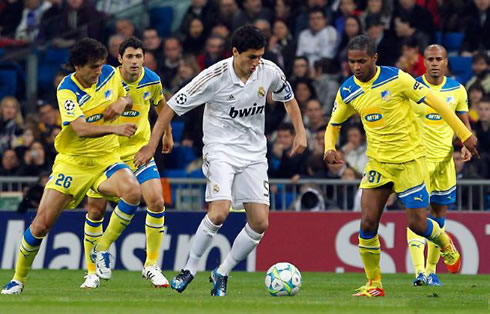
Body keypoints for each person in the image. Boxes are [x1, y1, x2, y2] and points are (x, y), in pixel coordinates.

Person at [134, 25, 307, 296]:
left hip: (253, 153)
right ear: (235, 52)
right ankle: (189, 269)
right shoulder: (213, 77)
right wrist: (151, 145)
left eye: (260, 56)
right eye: (251, 57)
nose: (256, 63)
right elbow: (169, 108)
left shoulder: (269, 71)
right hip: (220, 150)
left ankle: (221, 273)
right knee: (219, 212)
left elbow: (289, 100)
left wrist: (301, 132)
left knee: (260, 223)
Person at [323, 35, 478, 297]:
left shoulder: (398, 79)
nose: (357, 67)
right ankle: (374, 284)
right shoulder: (349, 90)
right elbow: (333, 124)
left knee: (418, 224)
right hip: (378, 163)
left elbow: (437, 103)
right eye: (352, 62)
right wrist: (329, 147)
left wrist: (464, 134)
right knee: (368, 224)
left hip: (410, 161)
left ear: (374, 58)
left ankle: (445, 243)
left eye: (362, 61)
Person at [1, 38, 141, 295]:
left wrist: (124, 102)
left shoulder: (110, 74)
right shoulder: (67, 89)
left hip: (106, 160)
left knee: (133, 192)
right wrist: (116, 127)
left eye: (101, 66)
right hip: (73, 164)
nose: (99, 71)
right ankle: (17, 279)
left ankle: (102, 249)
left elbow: (129, 97)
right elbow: (80, 128)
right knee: (41, 224)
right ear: (78, 66)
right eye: (93, 67)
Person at [81, 37, 174, 289]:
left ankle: (152, 265)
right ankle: (92, 272)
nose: (135, 61)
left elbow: (162, 106)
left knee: (156, 200)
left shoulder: (152, 79)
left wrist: (167, 134)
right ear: (119, 58)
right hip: (106, 154)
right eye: (130, 57)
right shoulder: (105, 78)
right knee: (95, 210)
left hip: (139, 153)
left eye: (139, 57)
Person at [407, 45, 472, 287]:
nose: (434, 63)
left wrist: (465, 144)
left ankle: (431, 271)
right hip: (418, 163)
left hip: (445, 163)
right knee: (417, 215)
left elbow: (463, 125)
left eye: (439, 59)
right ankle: (418, 273)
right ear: (424, 61)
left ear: (446, 62)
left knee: (439, 216)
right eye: (430, 59)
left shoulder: (457, 90)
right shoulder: (412, 88)